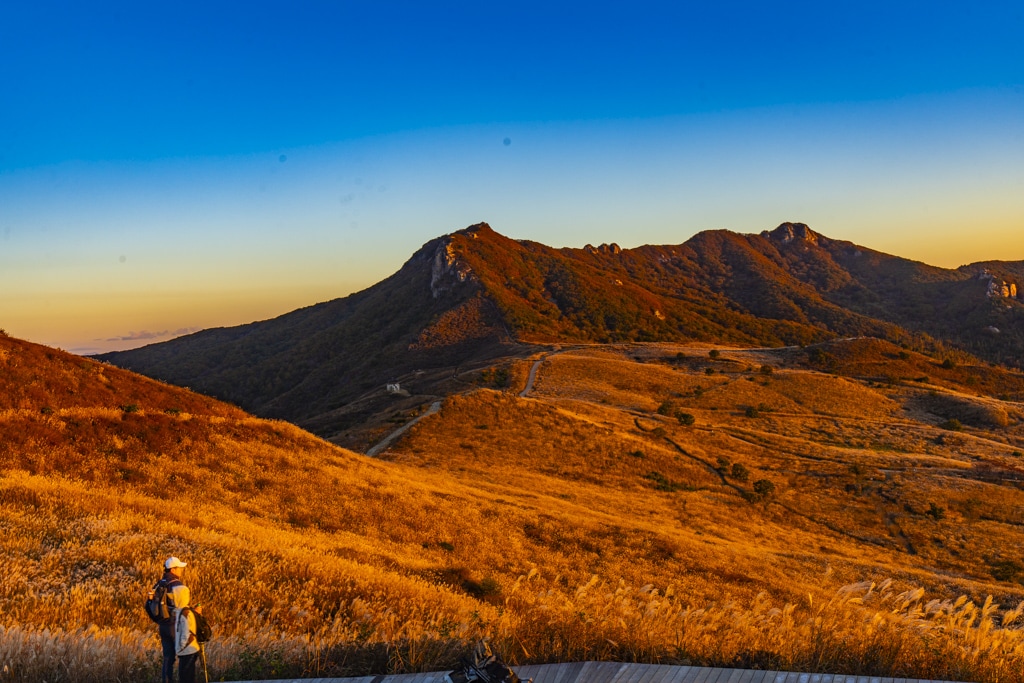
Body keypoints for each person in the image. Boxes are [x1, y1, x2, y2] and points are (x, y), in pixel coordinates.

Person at [155, 556, 189, 683]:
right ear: (173, 569)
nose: (181, 570)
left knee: (168, 658)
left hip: (163, 625)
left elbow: (148, 605)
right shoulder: (176, 584)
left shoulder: (159, 584)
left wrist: (159, 619)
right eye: (179, 568)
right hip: (175, 625)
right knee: (184, 655)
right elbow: (183, 608)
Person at [174, 587, 201, 683]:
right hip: (189, 649)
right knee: (188, 677)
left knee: (185, 678)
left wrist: (180, 647)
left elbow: (185, 632)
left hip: (187, 650)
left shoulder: (184, 613)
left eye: (175, 596)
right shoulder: (184, 611)